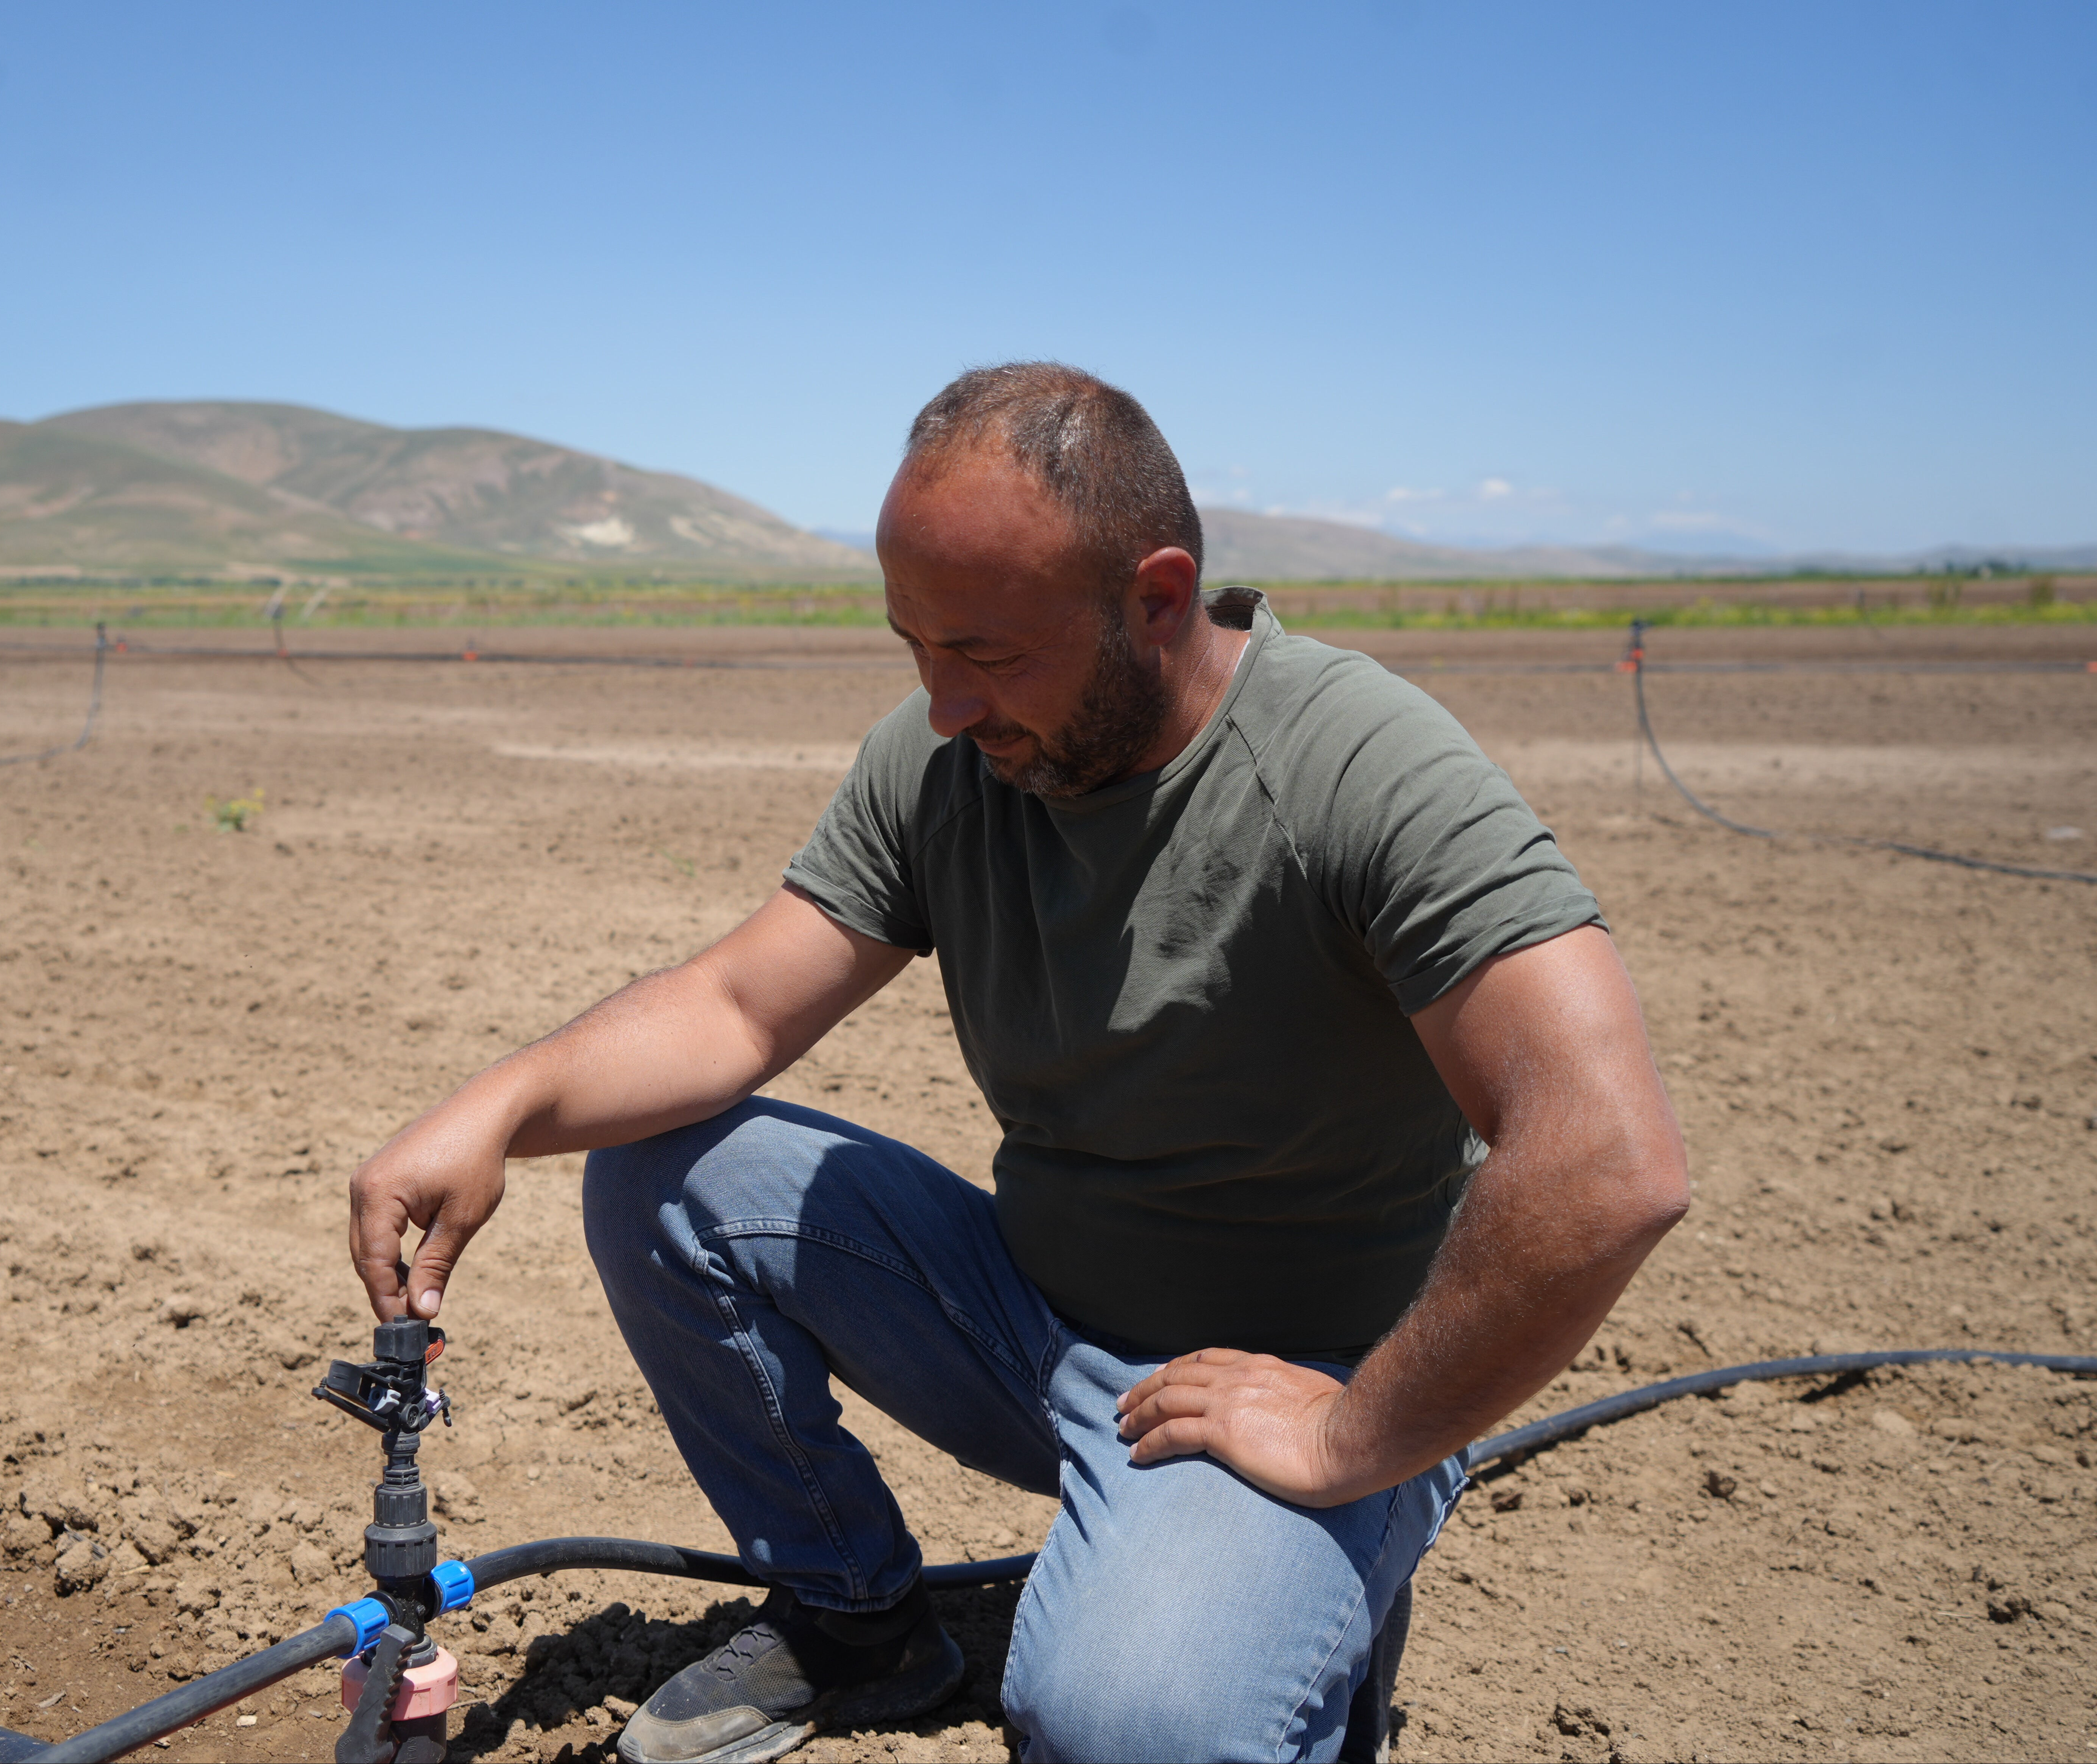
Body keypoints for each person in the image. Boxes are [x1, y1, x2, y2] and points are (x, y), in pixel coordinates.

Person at [346, 363, 1688, 1763]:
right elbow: (739, 1006)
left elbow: (1608, 1159)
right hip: (1034, 1327)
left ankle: (1307, 1571)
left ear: (1157, 600)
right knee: (668, 1170)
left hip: (1288, 1377)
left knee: (1126, 1724)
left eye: (986, 653)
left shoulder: (1356, 767)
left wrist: (1358, 1431)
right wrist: (496, 1106)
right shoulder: (947, 768)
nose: (941, 706)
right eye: (913, 645)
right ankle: (859, 1626)